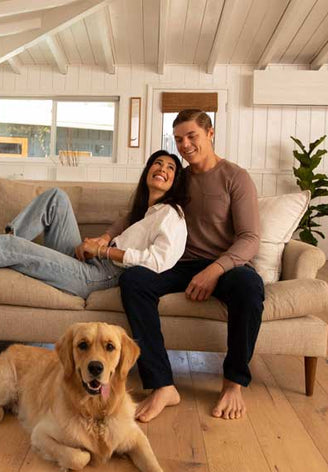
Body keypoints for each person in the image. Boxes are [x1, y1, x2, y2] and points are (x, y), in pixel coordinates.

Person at [92, 109, 263, 422]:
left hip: (225, 267)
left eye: (191, 136)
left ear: (210, 134)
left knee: (250, 288)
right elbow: (138, 214)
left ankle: (233, 383)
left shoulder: (236, 178)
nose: (184, 145)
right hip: (179, 263)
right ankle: (162, 385)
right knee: (134, 281)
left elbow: (250, 239)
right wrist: (105, 237)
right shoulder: (178, 178)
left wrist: (214, 271)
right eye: (179, 138)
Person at [0, 150, 190, 301]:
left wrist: (104, 253)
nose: (162, 169)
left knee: (6, 248)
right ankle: (5, 245)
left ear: (176, 180)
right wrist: (101, 242)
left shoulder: (171, 216)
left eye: (170, 167)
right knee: (56, 198)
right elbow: (121, 230)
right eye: (157, 163)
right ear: (148, 170)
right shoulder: (146, 211)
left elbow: (159, 262)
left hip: (98, 277)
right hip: (92, 261)